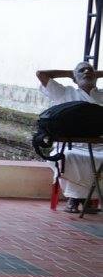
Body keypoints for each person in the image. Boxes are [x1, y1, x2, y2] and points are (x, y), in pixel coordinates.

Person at [35, 63, 103, 212]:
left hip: (98, 146)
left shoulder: (101, 95)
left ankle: (91, 197)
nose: (86, 72)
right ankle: (75, 198)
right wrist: (70, 73)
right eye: (81, 71)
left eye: (90, 70)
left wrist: (95, 73)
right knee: (68, 157)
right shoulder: (65, 93)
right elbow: (41, 73)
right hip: (70, 145)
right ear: (74, 78)